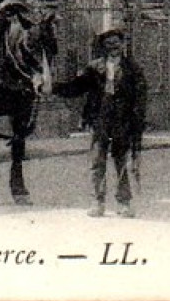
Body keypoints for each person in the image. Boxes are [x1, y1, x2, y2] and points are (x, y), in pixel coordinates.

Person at [56, 25, 146, 218]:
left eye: (116, 43)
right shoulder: (94, 67)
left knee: (121, 160)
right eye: (108, 44)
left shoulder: (133, 70)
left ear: (122, 45)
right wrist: (53, 88)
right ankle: (98, 202)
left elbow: (140, 101)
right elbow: (77, 87)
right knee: (97, 161)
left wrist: (136, 128)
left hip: (122, 121)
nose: (113, 47)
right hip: (100, 120)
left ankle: (124, 202)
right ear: (104, 47)